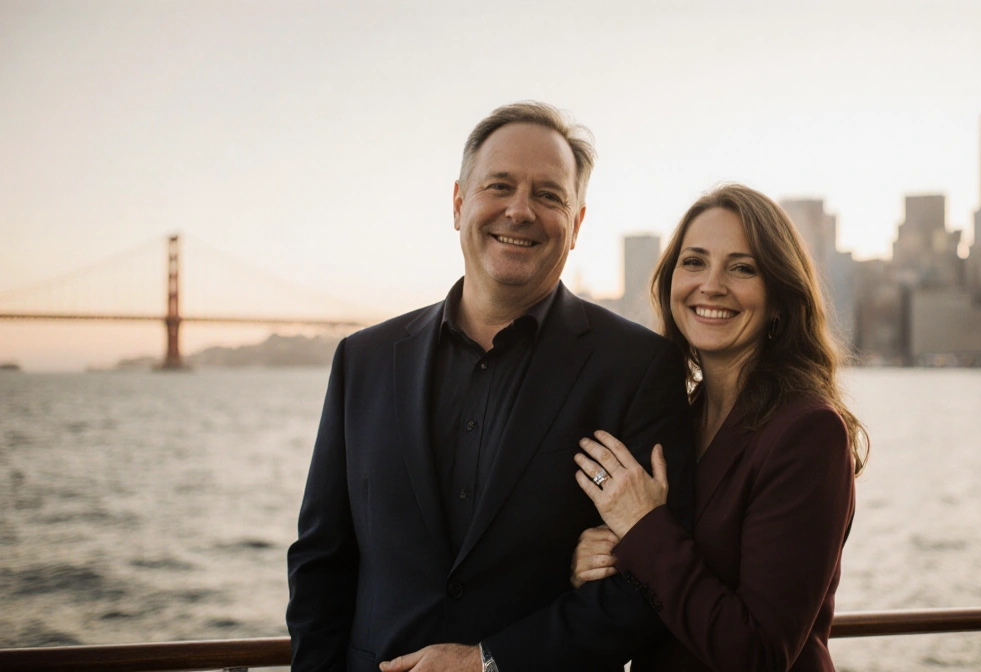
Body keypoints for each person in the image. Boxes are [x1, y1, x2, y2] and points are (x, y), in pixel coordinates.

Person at [286, 102, 695, 672]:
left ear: (577, 224)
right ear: (459, 205)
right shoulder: (364, 359)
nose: (520, 210)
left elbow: (647, 589)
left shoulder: (639, 367)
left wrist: (489, 663)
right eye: (498, 186)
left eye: (549, 195)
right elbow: (320, 564)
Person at [570, 184, 867, 671]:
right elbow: (660, 574)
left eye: (742, 268)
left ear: (779, 298)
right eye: (694, 262)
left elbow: (760, 655)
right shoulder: (673, 422)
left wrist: (640, 527)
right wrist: (599, 562)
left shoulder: (808, 432)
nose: (711, 284)